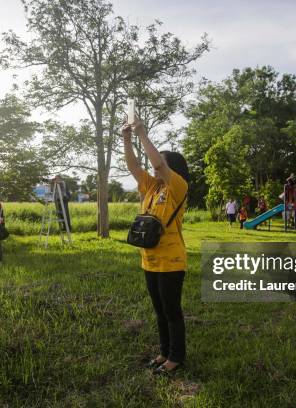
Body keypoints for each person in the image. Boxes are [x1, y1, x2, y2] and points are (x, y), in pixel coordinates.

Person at [122, 117, 189, 376]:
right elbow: (133, 166)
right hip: (149, 258)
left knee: (172, 310)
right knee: (159, 310)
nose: (155, 167)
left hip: (171, 260)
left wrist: (142, 134)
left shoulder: (178, 187)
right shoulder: (151, 187)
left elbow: (156, 162)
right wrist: (126, 139)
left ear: (171, 168)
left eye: (161, 164)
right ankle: (164, 352)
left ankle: (176, 357)